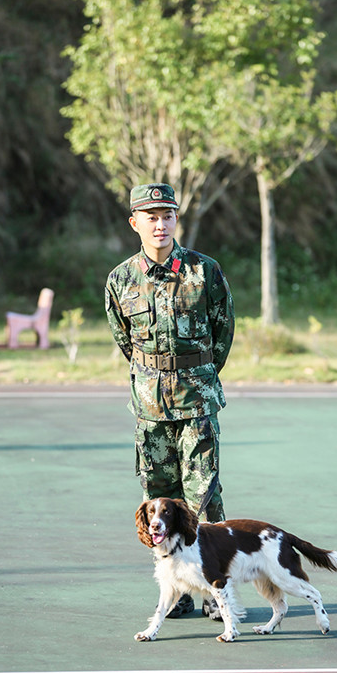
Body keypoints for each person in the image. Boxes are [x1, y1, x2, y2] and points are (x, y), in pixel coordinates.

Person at [105, 183, 235, 618]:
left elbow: (223, 332)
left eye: (167, 216)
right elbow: (125, 341)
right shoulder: (121, 279)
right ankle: (177, 592)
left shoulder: (204, 272)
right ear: (134, 223)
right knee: (160, 499)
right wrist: (154, 376)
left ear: (176, 219)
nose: (160, 225)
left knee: (204, 497)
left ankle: (217, 592)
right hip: (149, 408)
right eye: (151, 217)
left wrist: (194, 373)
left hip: (197, 403)